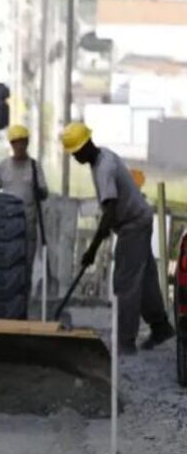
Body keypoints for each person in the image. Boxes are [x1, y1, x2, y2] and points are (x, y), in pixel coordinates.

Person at [61, 122, 175, 354]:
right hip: (139, 219)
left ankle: (124, 342)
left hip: (132, 225)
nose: (74, 158)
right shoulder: (102, 156)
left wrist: (92, 250)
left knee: (125, 283)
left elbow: (110, 211)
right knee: (144, 279)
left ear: (84, 147)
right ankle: (161, 327)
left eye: (75, 153)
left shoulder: (104, 168)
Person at [0, 124, 48, 261]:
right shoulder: (3, 166)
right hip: (8, 222)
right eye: (16, 143)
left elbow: (44, 193)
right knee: (8, 259)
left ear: (27, 144)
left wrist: (39, 191)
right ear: (11, 145)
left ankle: (26, 282)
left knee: (27, 260)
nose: (20, 147)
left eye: (23, 143)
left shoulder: (34, 166)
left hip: (28, 223)